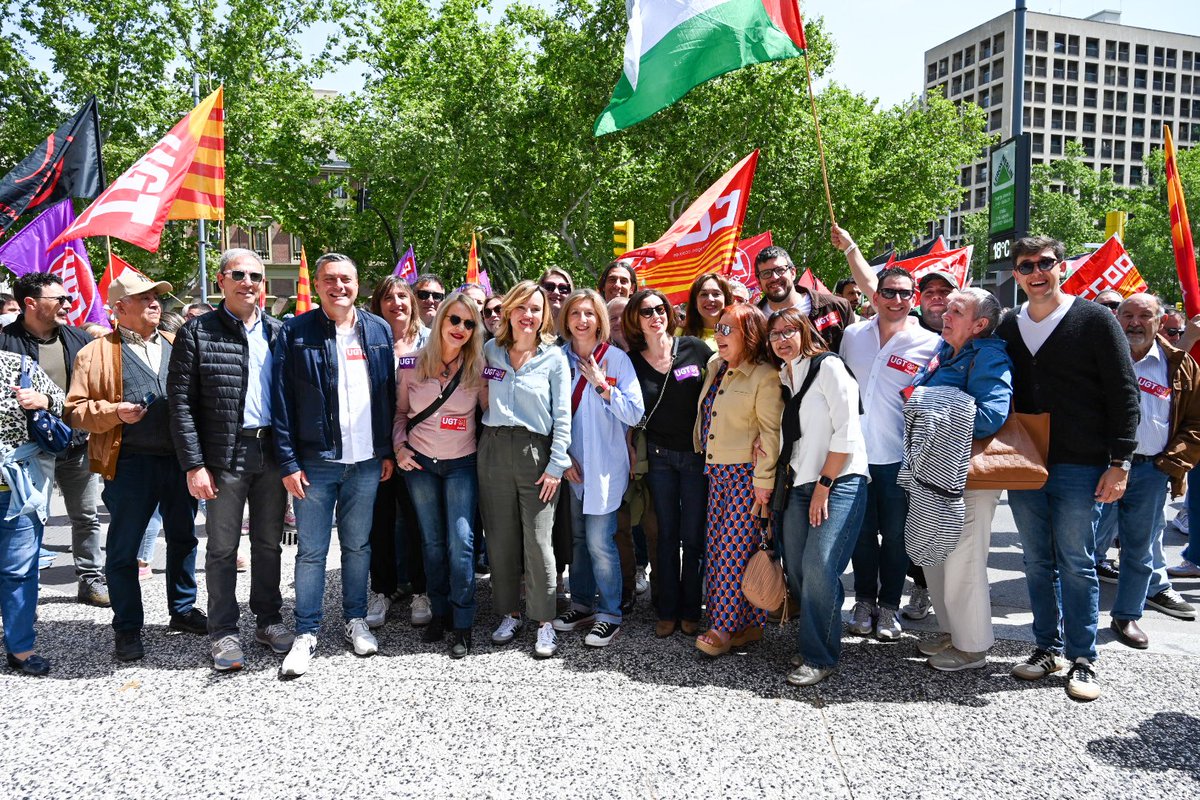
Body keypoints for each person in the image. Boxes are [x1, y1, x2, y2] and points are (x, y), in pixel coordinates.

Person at [997, 235, 1139, 701]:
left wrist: (1120, 461)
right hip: (1025, 462)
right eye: (1026, 266)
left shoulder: (1095, 319)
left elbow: (1124, 392)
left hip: (1081, 463)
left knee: (1077, 563)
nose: (1036, 272)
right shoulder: (1008, 324)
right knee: (1037, 562)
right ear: (1016, 275)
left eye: (1045, 263)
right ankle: (1047, 648)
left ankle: (1083, 658)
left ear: (1061, 266)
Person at [66, 270, 207, 662]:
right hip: (129, 463)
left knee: (184, 538)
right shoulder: (94, 353)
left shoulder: (177, 343)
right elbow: (74, 411)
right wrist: (115, 412)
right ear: (119, 308)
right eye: (144, 298)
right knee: (124, 549)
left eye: (155, 297)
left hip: (179, 461)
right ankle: (127, 627)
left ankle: (183, 609)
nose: (154, 303)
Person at [167, 249, 293, 671]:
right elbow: (180, 405)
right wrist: (193, 464)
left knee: (268, 544)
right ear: (221, 280)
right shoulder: (197, 332)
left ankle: (268, 620)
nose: (248, 282)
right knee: (223, 548)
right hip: (223, 455)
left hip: (270, 451)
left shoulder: (278, 332)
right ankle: (222, 631)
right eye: (238, 274)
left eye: (255, 275)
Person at [273, 253, 397, 678]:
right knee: (311, 551)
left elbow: (387, 395)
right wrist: (287, 461)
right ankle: (307, 632)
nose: (338, 286)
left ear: (358, 285)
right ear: (318, 285)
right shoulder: (295, 331)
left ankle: (355, 619)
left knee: (358, 547)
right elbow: (281, 401)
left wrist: (386, 451)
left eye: (346, 279)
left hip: (366, 462)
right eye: (329, 279)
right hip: (316, 462)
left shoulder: (377, 329)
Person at [907, 289, 1013, 671]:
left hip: (968, 479)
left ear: (979, 324)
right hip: (936, 474)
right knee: (936, 559)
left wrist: (927, 405)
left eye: (956, 310)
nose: (945, 314)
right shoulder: (945, 350)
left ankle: (972, 648)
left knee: (963, 564)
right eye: (947, 308)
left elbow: (990, 416)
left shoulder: (989, 356)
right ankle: (953, 632)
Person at [839, 263, 940, 641]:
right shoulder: (852, 335)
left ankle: (889, 607)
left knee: (897, 538)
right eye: (889, 292)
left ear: (913, 299)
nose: (896, 300)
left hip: (900, 457)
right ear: (875, 296)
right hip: (854, 455)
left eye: (904, 293)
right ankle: (864, 601)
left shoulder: (930, 343)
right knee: (862, 535)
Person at [768, 308, 868, 686]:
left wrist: (824, 485)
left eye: (788, 331)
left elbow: (847, 430)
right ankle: (817, 637)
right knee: (796, 568)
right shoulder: (785, 376)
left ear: (805, 331)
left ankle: (819, 655)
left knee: (819, 565)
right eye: (774, 334)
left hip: (838, 481)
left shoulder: (828, 366)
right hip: (799, 483)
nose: (781, 339)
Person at [0, 272, 108, 607]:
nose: (67, 304)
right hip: (27, 452)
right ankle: (23, 590)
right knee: (27, 520)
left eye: (68, 298)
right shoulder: (5, 342)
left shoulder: (80, 340)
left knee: (86, 517)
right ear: (30, 303)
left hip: (76, 444)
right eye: (59, 299)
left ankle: (91, 579)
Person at [1098, 294, 1199, 648]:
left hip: (1150, 472)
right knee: (1081, 547)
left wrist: (1168, 465)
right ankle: (1073, 618)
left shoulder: (1180, 365)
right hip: (1100, 468)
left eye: (1145, 315)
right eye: (1127, 315)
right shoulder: (1099, 357)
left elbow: (1195, 423)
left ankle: (1127, 617)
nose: (1135, 323)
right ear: (1116, 319)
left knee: (1139, 550)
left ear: (1160, 321)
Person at [478, 280, 571, 658]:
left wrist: (556, 465)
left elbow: (562, 415)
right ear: (509, 311)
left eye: (535, 308)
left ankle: (544, 621)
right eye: (521, 307)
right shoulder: (491, 350)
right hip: (494, 448)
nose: (528, 315)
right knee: (500, 538)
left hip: (537, 452)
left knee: (538, 540)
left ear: (544, 314)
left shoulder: (554, 357)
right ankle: (510, 613)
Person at [394, 293, 487, 658]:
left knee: (461, 543)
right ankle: (440, 612)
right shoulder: (411, 364)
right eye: (455, 319)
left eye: (469, 323)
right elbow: (400, 414)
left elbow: (489, 417)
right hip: (420, 466)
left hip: (462, 463)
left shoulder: (478, 368)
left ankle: (463, 622)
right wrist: (399, 447)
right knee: (432, 543)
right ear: (441, 320)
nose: (461, 328)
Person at [551, 289, 643, 647]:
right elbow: (547, 413)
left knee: (599, 542)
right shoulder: (557, 358)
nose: (582, 320)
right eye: (575, 312)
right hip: (572, 465)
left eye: (589, 313)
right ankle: (581, 604)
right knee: (578, 540)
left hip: (605, 466)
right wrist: (562, 457)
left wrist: (603, 387)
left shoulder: (616, 360)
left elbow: (635, 412)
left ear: (600, 319)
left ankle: (610, 614)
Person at [692, 303, 783, 656]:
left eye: (728, 329)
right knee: (718, 551)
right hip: (717, 474)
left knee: (733, 553)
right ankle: (747, 624)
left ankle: (723, 628)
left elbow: (770, 433)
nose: (719, 334)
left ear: (750, 335)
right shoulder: (717, 366)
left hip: (747, 477)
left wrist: (764, 481)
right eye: (718, 328)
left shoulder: (765, 375)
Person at [625, 288, 713, 638]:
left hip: (696, 457)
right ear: (636, 320)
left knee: (692, 537)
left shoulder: (695, 348)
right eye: (646, 312)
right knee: (664, 535)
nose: (655, 316)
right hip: (659, 459)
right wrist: (629, 447)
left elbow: (723, 387)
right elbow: (628, 411)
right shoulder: (631, 361)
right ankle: (666, 610)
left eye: (660, 309)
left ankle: (691, 609)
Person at [365, 275, 428, 629]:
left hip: (420, 447)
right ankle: (382, 590)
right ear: (378, 304)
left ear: (412, 302)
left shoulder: (429, 340)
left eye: (402, 296)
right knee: (380, 522)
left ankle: (421, 590)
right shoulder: (367, 339)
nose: (396, 303)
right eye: (388, 298)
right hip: (377, 447)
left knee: (419, 522)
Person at [0, 349, 66, 675]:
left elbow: (64, 403)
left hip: (18, 488)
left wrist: (42, 400)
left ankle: (21, 648)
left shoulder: (18, 365)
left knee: (19, 570)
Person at [755, 245, 853, 351]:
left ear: (793, 272)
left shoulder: (835, 307)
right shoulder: (752, 321)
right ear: (758, 281)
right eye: (766, 273)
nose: (774, 277)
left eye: (780, 270)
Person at [680, 272, 732, 347]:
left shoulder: (739, 333)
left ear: (726, 300)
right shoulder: (680, 334)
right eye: (704, 294)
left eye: (716, 294)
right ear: (695, 302)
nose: (710, 299)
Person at [538, 268, 574, 336]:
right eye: (549, 287)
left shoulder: (577, 333)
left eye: (563, 288)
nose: (556, 292)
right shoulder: (529, 327)